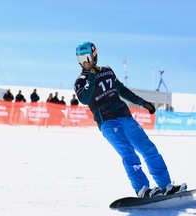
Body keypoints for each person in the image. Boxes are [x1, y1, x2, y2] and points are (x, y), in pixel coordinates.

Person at [74, 42, 186, 198]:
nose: (85, 61)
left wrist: (142, 102)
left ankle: (166, 186)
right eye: (81, 58)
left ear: (95, 55)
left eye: (87, 57)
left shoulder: (107, 71)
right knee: (128, 153)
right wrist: (92, 76)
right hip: (107, 121)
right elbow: (85, 99)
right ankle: (142, 189)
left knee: (149, 150)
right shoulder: (80, 81)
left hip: (125, 116)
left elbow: (122, 90)